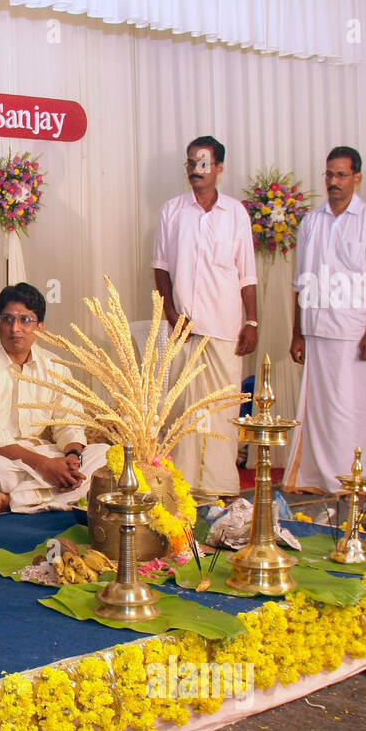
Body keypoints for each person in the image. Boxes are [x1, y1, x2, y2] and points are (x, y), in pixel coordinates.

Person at [153, 136, 258, 499]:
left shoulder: (236, 214)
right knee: (181, 410)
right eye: (190, 163)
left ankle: (220, 484)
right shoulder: (172, 211)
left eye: (202, 163)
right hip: (183, 328)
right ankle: (181, 486)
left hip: (226, 326)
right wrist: (170, 313)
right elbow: (161, 268)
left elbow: (246, 273)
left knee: (222, 410)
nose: (195, 170)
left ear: (218, 168)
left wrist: (253, 321)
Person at [283, 146, 366, 494]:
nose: (334, 181)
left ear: (357, 178)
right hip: (315, 331)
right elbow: (300, 283)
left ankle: (351, 478)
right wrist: (297, 334)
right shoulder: (312, 221)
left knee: (349, 410)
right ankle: (314, 477)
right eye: (329, 174)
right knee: (317, 411)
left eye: (341, 175)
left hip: (352, 331)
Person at [0, 282, 108, 515]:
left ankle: (14, 500)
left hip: (41, 454)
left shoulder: (54, 366)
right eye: (7, 319)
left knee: (104, 454)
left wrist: (72, 456)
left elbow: (69, 420)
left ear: (40, 326)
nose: (15, 328)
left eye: (25, 320)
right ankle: (58, 492)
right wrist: (43, 465)